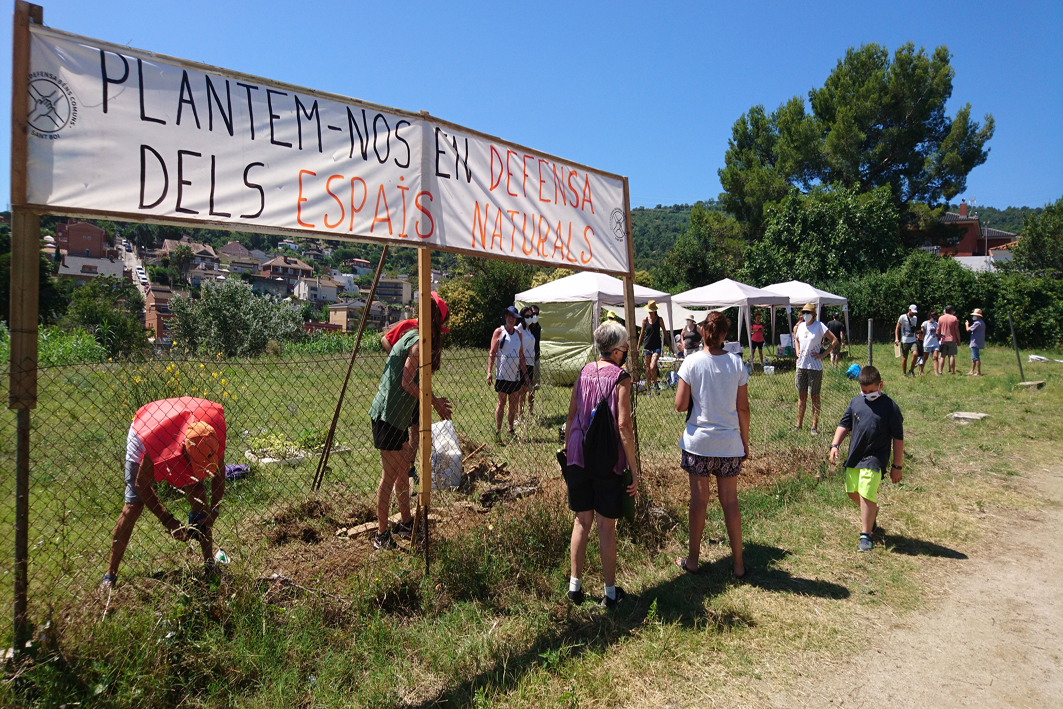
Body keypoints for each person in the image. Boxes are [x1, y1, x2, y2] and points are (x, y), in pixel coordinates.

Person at [102, 397, 226, 590]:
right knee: (134, 504)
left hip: (185, 420)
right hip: (146, 429)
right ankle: (109, 576)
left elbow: (219, 476)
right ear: (184, 454)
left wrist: (213, 512)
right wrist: (167, 520)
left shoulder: (211, 439)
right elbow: (141, 484)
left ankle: (209, 564)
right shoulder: (161, 447)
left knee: (198, 492)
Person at [563, 321, 638, 608]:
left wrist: (570, 452)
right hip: (607, 459)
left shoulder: (584, 371)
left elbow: (571, 415)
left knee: (582, 520)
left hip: (578, 455)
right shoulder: (621, 377)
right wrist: (632, 467)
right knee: (607, 526)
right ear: (618, 350)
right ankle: (609, 593)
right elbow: (623, 424)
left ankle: (575, 587)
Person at [369, 292, 452, 550]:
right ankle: (381, 536)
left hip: (397, 417)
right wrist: (434, 401)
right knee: (390, 476)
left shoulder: (415, 336)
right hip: (388, 416)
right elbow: (407, 382)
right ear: (437, 322)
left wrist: (432, 399)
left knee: (403, 471)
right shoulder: (418, 343)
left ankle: (406, 523)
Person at [674, 312, 750, 579]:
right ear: (724, 336)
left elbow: (680, 404)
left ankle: (693, 560)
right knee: (730, 501)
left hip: (699, 444)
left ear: (702, 332)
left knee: (699, 501)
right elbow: (743, 408)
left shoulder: (692, 362)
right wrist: (745, 442)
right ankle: (738, 564)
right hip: (729, 443)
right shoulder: (737, 364)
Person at [828, 365, 904, 552]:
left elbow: (898, 438)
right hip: (856, 455)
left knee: (866, 491)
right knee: (852, 491)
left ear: (881, 386)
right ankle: (871, 514)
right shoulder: (855, 402)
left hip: (876, 457)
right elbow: (844, 425)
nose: (868, 394)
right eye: (864, 390)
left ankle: (866, 536)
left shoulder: (890, 407)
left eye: (872, 390)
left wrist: (897, 465)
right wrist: (835, 445)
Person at [794, 303, 837, 436]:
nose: (805, 315)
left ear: (813, 314)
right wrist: (797, 351)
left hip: (815, 367)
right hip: (801, 366)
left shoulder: (819, 326)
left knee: (815, 396)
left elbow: (834, 340)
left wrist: (823, 354)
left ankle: (814, 426)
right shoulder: (800, 326)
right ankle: (798, 424)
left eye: (808, 312)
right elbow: (796, 339)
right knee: (801, 396)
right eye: (804, 312)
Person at [487, 305, 527, 438]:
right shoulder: (499, 332)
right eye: (509, 316)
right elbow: (492, 353)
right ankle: (498, 431)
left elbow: (521, 355)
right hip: (502, 374)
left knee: (513, 403)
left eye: (513, 317)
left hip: (515, 375)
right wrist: (489, 372)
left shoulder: (518, 334)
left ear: (516, 320)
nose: (511, 319)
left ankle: (510, 429)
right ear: (505, 317)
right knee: (501, 402)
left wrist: (525, 373)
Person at [637, 300, 673, 392]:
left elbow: (665, 332)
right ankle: (649, 390)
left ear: (655, 310)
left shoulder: (659, 319)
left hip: (656, 346)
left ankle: (655, 383)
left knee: (653, 366)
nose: (650, 311)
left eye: (652, 309)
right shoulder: (645, 320)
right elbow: (641, 334)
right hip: (647, 346)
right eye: (649, 309)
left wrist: (670, 345)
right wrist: (638, 346)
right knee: (648, 369)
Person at [516, 306, 539, 421]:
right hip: (522, 362)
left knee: (525, 390)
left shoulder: (529, 329)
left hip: (530, 363)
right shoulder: (519, 329)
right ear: (522, 317)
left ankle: (521, 414)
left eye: (531, 315)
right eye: (527, 316)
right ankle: (518, 415)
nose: (530, 318)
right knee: (520, 391)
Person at [894, 304, 920, 377]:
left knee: (915, 354)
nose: (914, 313)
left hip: (913, 340)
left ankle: (911, 370)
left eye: (915, 312)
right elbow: (897, 327)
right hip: (904, 340)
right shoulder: (902, 317)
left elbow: (913, 328)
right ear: (909, 310)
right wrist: (896, 338)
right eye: (913, 312)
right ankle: (904, 374)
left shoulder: (915, 318)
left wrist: (916, 335)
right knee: (905, 357)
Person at [937, 305, 960, 374]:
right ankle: (952, 371)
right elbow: (956, 330)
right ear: (951, 311)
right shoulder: (954, 318)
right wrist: (958, 339)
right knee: (951, 355)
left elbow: (938, 329)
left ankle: (940, 371)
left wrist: (938, 337)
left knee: (942, 355)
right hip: (952, 338)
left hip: (943, 338)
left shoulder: (941, 318)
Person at [966, 308, 986, 376]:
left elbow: (968, 330)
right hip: (978, 341)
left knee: (976, 357)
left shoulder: (977, 323)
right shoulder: (982, 322)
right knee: (973, 357)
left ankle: (978, 372)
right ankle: (972, 371)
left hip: (975, 342)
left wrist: (967, 324)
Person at [920, 311, 940, 376]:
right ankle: (921, 370)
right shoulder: (925, 323)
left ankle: (936, 373)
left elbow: (937, 332)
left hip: (935, 343)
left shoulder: (936, 324)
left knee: (935, 357)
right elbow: (922, 333)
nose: (935, 319)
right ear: (930, 316)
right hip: (927, 343)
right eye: (934, 317)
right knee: (925, 357)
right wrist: (921, 342)